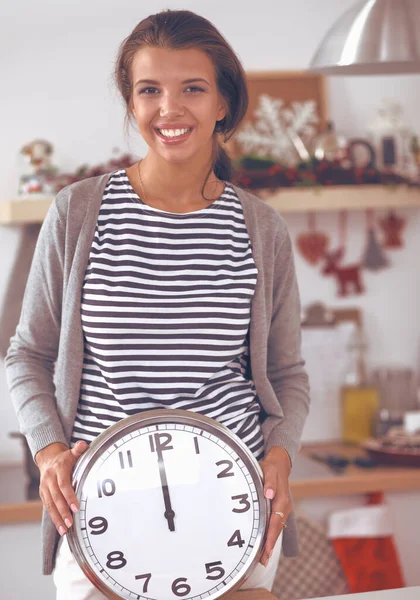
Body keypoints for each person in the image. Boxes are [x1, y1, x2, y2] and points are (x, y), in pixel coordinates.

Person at [5, 9, 310, 599]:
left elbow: (287, 371)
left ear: (223, 102)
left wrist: (281, 454)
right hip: (102, 510)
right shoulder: (78, 213)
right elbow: (27, 355)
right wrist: (47, 451)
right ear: (132, 102)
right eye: (150, 90)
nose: (169, 108)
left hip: (232, 505)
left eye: (192, 88)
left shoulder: (259, 228)